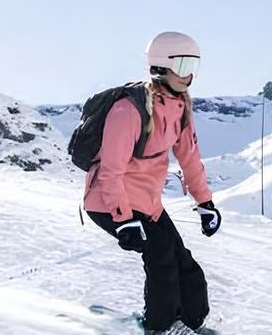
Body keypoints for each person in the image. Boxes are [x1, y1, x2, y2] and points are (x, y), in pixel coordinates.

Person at [83, 31, 222, 334]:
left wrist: (205, 202)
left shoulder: (180, 106)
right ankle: (161, 328)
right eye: (184, 66)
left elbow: (190, 159)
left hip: (148, 204)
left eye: (194, 66)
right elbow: (110, 171)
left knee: (185, 263)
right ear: (161, 66)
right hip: (110, 202)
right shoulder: (129, 110)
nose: (190, 76)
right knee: (160, 257)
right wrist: (123, 219)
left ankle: (191, 322)